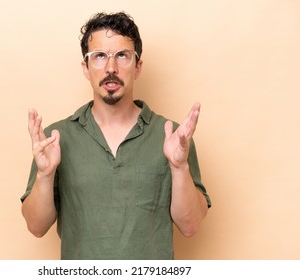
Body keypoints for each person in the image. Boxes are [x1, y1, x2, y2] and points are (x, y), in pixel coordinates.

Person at [21, 11, 211, 260]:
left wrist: (179, 167)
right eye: (99, 56)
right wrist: (45, 175)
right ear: (86, 68)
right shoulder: (55, 139)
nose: (111, 68)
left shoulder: (175, 138)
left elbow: (191, 226)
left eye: (122, 56)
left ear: (138, 66)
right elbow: (36, 227)